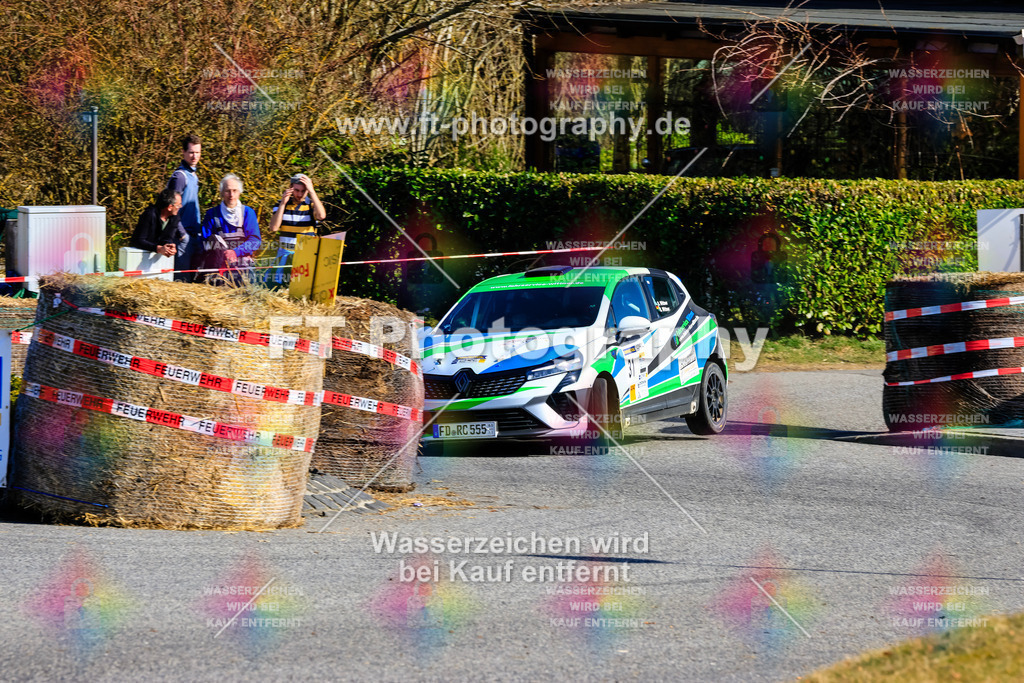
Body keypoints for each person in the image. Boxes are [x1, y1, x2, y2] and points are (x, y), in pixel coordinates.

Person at [194, 174, 261, 283]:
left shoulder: (248, 213)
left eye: (235, 191)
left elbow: (255, 241)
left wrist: (235, 252)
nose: (231, 195)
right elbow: (204, 243)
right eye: (227, 191)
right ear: (221, 193)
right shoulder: (212, 214)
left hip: (243, 267)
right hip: (218, 269)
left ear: (240, 192)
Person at [267, 173, 327, 285]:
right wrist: (283, 204)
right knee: (279, 288)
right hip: (285, 255)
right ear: (291, 188)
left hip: (305, 256)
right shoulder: (281, 204)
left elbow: (321, 216)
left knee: (303, 288)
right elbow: (274, 228)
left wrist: (312, 192)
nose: (299, 194)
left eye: (303, 191)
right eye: (296, 190)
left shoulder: (312, 205)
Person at [166, 134, 202, 280]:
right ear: (184, 152)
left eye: (198, 152)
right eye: (191, 152)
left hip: (194, 235)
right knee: (181, 282)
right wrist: (182, 235)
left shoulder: (193, 175)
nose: (195, 156)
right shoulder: (180, 176)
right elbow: (171, 208)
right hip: (182, 237)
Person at [130, 188, 181, 257]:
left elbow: (168, 237)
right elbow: (138, 240)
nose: (179, 207)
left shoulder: (175, 217)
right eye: (178, 205)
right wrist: (158, 248)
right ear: (169, 207)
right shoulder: (149, 214)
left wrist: (169, 247)